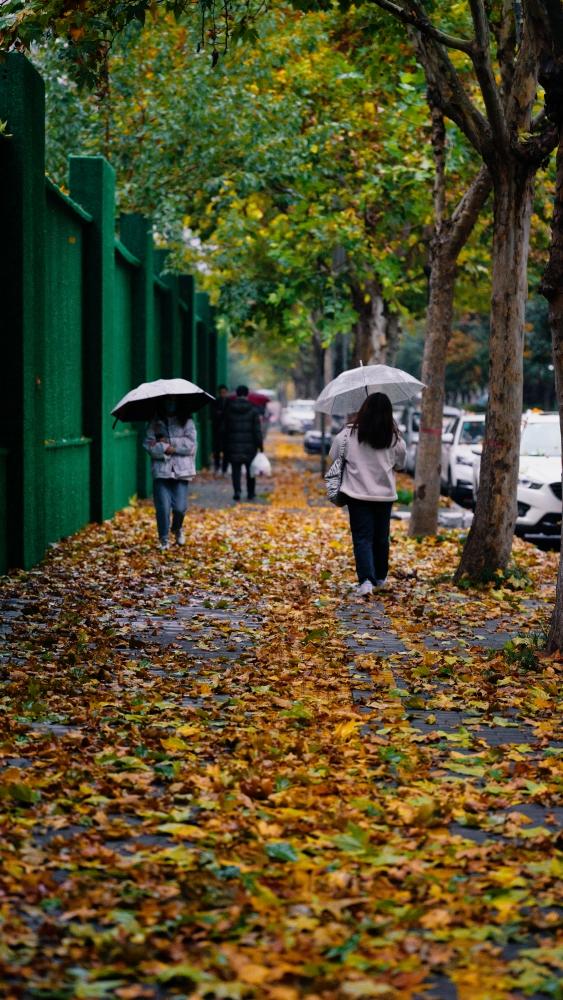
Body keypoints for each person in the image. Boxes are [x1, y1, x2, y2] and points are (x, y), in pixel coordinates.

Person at [329, 392, 406, 596]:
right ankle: (380, 577)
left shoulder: (347, 434)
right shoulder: (394, 437)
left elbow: (334, 455)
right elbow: (400, 464)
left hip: (357, 494)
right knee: (381, 538)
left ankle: (365, 581)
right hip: (384, 496)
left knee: (362, 538)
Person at [143, 396, 197, 549]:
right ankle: (164, 539)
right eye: (167, 400)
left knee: (180, 507)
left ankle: (177, 528)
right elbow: (148, 444)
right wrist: (163, 448)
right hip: (161, 470)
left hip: (182, 470)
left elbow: (191, 445)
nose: (170, 404)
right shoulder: (155, 422)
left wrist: (171, 444)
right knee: (163, 507)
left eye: (174, 400)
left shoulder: (187, 421)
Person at [224, 385, 263, 502]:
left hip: (233, 445)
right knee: (250, 469)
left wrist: (226, 445)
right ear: (247, 394)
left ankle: (237, 491)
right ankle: (251, 493)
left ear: (236, 393)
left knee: (235, 470)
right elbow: (257, 430)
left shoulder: (229, 408)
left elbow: (225, 428)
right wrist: (260, 445)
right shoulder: (253, 409)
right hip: (250, 447)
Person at [212, 384, 230, 475]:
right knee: (217, 450)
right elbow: (214, 414)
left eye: (224, 392)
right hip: (217, 430)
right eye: (221, 393)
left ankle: (224, 469)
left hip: (227, 431)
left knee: (226, 451)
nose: (223, 394)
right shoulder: (216, 402)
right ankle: (217, 467)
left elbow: (229, 415)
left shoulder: (230, 402)